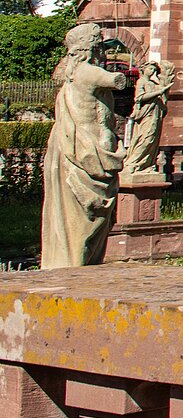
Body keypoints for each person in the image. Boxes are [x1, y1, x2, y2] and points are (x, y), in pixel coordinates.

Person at [41, 25, 133, 268]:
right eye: (100, 45)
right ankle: (74, 265)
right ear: (92, 47)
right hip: (86, 155)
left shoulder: (74, 74)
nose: (103, 50)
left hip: (83, 151)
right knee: (85, 221)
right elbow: (118, 80)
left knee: (84, 221)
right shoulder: (87, 72)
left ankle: (74, 262)